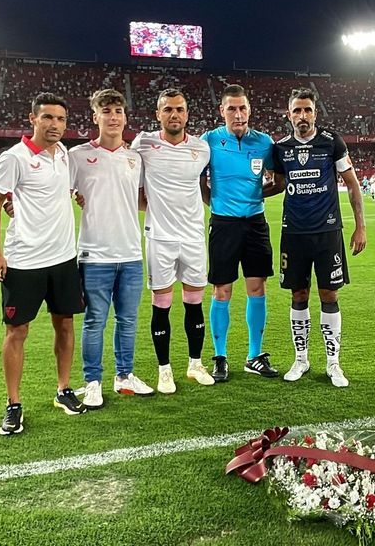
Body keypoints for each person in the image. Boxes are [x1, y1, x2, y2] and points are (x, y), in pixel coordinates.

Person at [0, 92, 87, 436]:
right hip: (24, 260)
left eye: (60, 119)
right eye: (47, 118)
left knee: (66, 324)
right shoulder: (15, 158)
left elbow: (66, 193)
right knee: (17, 332)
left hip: (62, 258)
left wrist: (79, 197)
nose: (55, 124)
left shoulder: (65, 156)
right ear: (33, 119)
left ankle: (63, 390)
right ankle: (13, 404)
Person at [272, 88, 366, 388]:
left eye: (308, 110)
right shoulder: (280, 148)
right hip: (294, 233)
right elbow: (277, 184)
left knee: (329, 295)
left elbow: (352, 184)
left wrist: (360, 226)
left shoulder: (331, 142)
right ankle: (301, 359)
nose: (303, 116)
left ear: (315, 113)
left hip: (328, 232)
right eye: (297, 111)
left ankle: (333, 363)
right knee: (298, 295)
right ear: (289, 115)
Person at [70, 89, 154, 404]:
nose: (113, 117)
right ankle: (92, 381)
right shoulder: (77, 156)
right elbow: (57, 194)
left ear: (125, 117)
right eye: (106, 111)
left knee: (128, 320)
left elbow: (144, 201)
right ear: (95, 117)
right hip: (95, 255)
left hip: (131, 253)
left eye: (118, 111)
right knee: (95, 320)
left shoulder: (135, 158)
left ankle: (124, 376)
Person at [131, 88, 215, 394]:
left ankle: (195, 364)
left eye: (179, 109)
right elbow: (131, 185)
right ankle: (164, 370)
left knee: (194, 302)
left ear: (187, 113)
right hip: (161, 238)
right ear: (158, 114)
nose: (174, 114)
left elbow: (204, 186)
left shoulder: (202, 149)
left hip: (192, 237)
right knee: (161, 304)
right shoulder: (144, 143)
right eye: (167, 110)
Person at [200, 84, 284, 382]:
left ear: (250, 110)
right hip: (223, 225)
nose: (238, 114)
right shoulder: (209, 140)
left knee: (257, 288)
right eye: (232, 108)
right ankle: (220, 356)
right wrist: (213, 202)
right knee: (222, 290)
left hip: (255, 224)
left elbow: (280, 180)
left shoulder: (264, 143)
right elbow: (199, 178)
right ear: (222, 111)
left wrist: (258, 195)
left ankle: (254, 356)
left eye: (243, 108)